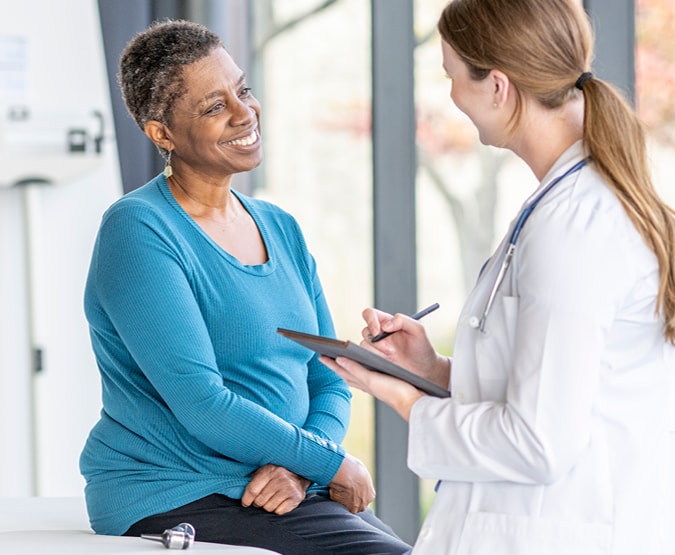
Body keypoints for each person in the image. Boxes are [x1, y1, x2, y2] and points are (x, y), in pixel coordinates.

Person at [321, 1, 675, 554]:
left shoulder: (574, 229)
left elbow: (539, 442)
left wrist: (405, 401)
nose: (453, 97)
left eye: (453, 78)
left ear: (498, 87)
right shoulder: (560, 205)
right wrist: (430, 370)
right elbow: (554, 384)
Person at [79, 19, 410, 555]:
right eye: (214, 106)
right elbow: (203, 404)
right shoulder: (138, 231)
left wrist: (303, 467)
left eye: (244, 90)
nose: (244, 112)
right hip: (180, 491)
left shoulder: (279, 226)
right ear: (161, 133)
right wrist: (330, 463)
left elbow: (327, 377)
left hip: (278, 484)